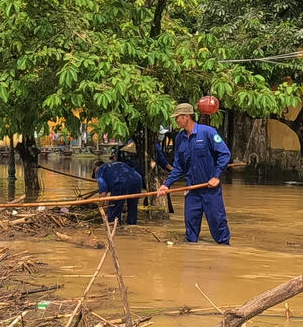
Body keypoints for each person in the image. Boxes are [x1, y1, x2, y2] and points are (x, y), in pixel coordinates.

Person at [155, 102, 231, 244]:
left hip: (210, 189)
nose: (176, 120)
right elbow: (178, 166)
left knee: (218, 223)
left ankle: (225, 251)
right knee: (190, 228)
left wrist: (216, 176)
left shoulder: (208, 132)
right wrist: (167, 185)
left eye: (178, 117)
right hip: (192, 190)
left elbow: (225, 154)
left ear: (187, 117)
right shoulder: (180, 138)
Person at [92, 159, 144, 225]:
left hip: (120, 183)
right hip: (137, 180)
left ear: (96, 168)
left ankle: (115, 227)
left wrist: (100, 205)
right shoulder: (116, 164)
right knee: (132, 207)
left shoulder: (99, 171)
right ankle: (132, 225)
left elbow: (103, 190)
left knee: (114, 208)